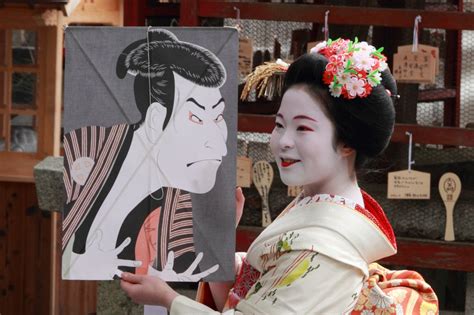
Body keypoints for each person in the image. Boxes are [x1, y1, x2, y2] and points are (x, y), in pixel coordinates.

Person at [120, 38, 438, 314]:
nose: (283, 141)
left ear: (347, 142)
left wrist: (168, 299)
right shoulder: (317, 206)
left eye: (303, 128)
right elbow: (244, 297)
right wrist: (218, 236)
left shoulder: (328, 251)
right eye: (280, 124)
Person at [62, 28, 228, 280]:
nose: (220, 146)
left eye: (218, 117)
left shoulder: (177, 195)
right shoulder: (86, 146)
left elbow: (191, 267)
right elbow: (63, 244)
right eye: (196, 117)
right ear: (155, 119)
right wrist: (78, 263)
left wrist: (228, 227)